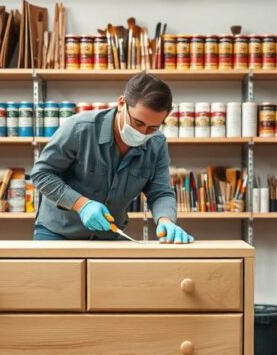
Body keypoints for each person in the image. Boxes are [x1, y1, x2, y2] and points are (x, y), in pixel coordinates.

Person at [30, 72, 193, 243]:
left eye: (153, 128)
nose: (142, 133)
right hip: (57, 233)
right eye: (138, 123)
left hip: (108, 236)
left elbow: (160, 192)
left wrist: (166, 221)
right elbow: (41, 174)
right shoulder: (80, 128)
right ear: (121, 103)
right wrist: (82, 204)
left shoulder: (157, 143)